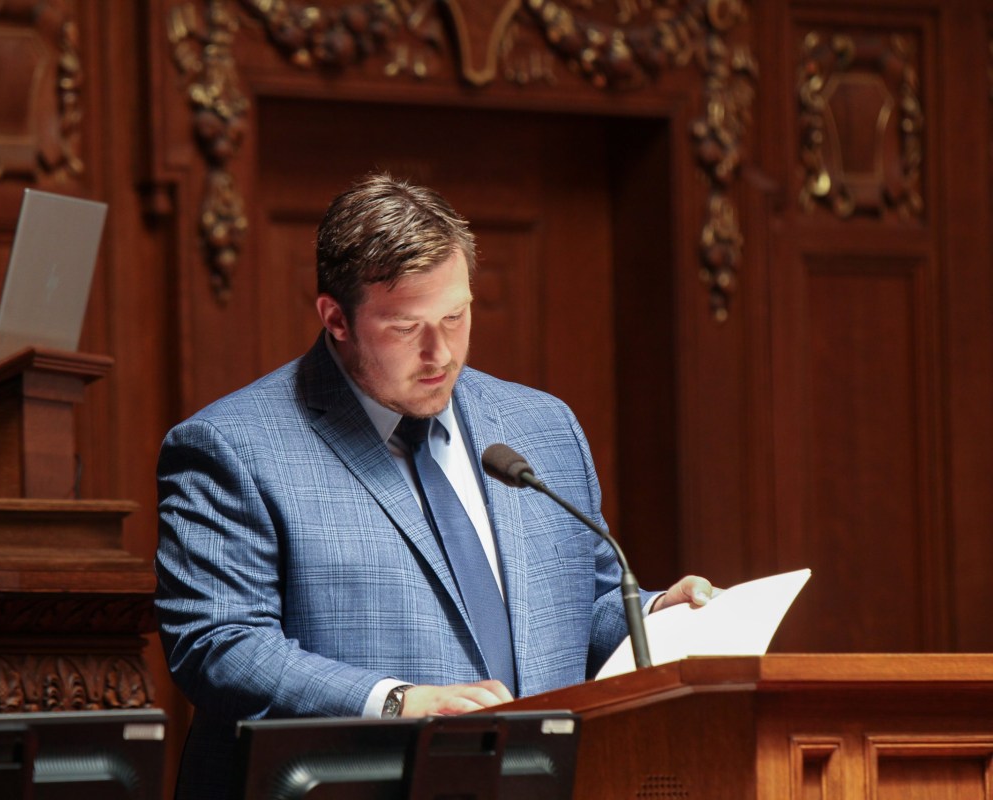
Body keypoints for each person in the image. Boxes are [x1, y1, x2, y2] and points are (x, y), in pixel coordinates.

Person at [155, 173, 714, 799]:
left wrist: (658, 616)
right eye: (405, 328)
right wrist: (395, 702)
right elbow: (218, 645)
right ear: (335, 318)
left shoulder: (543, 428)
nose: (441, 352)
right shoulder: (232, 446)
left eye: (456, 316)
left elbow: (583, 612)